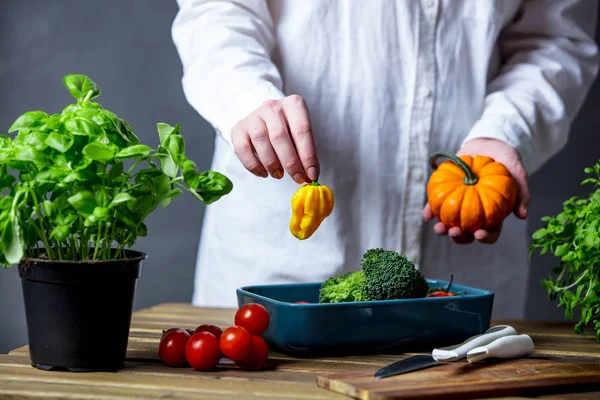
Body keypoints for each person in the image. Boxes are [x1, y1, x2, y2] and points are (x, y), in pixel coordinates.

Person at [171, 0, 599, 318]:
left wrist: (505, 131)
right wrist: (247, 96)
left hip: (461, 260)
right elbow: (217, 9)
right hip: (280, 251)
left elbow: (555, 39)